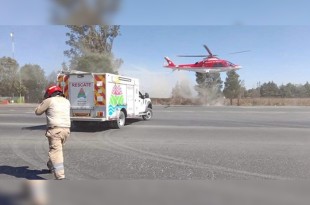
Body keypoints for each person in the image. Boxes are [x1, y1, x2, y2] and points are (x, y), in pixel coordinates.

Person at [35, 85, 71, 180]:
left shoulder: (49, 101)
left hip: (55, 130)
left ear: (50, 93)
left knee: (56, 152)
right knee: (57, 149)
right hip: (66, 130)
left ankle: (60, 176)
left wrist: (43, 102)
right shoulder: (67, 101)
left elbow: (38, 112)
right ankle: (51, 166)